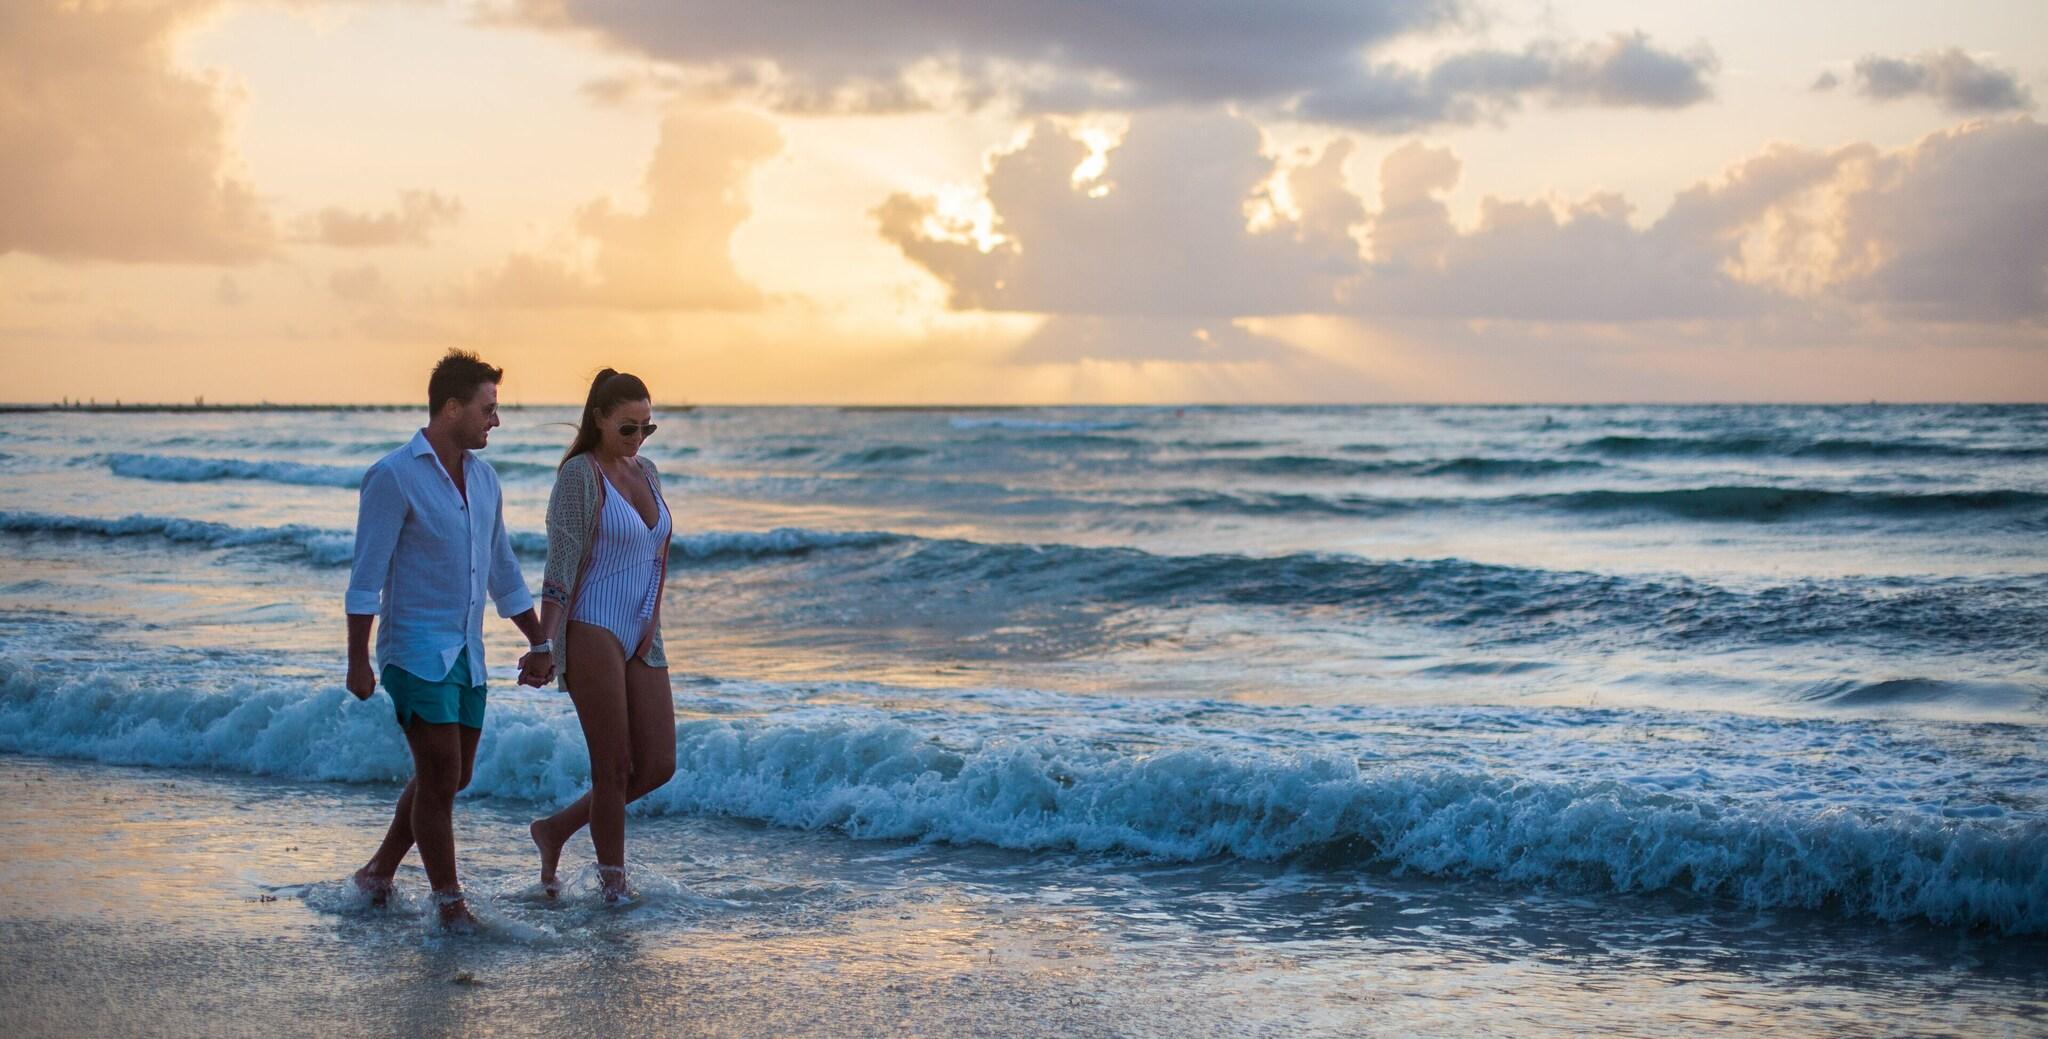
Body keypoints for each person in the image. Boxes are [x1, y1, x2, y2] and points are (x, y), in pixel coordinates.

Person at [344, 350, 556, 930]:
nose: (496, 420)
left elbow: (502, 569)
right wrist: (357, 660)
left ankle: (378, 872)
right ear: (452, 407)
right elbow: (366, 578)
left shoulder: (485, 480)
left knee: (454, 776)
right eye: (488, 409)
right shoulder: (393, 476)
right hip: (413, 650)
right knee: (438, 775)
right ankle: (449, 904)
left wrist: (539, 642)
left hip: (466, 652)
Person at [528, 369, 677, 902]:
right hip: (592, 625)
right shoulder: (579, 476)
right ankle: (614, 890)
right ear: (599, 420)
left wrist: (651, 624)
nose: (638, 439)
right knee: (611, 768)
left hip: (642, 631)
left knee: (659, 764)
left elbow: (660, 553)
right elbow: (559, 569)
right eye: (627, 428)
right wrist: (544, 644)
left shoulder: (650, 472)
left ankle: (555, 829)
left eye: (646, 428)